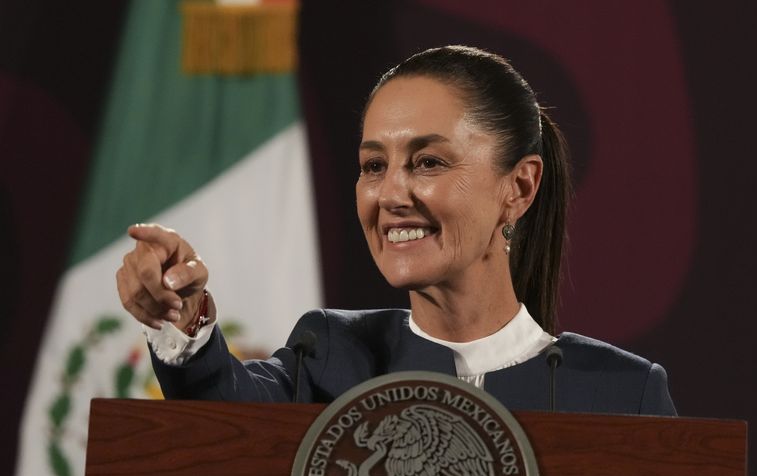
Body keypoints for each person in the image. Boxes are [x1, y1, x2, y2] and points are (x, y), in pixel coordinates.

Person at [116, 45, 676, 415]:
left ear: (520, 188)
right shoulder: (329, 359)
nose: (389, 195)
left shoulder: (624, 393)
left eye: (428, 162)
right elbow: (224, 412)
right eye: (373, 166)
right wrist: (181, 322)